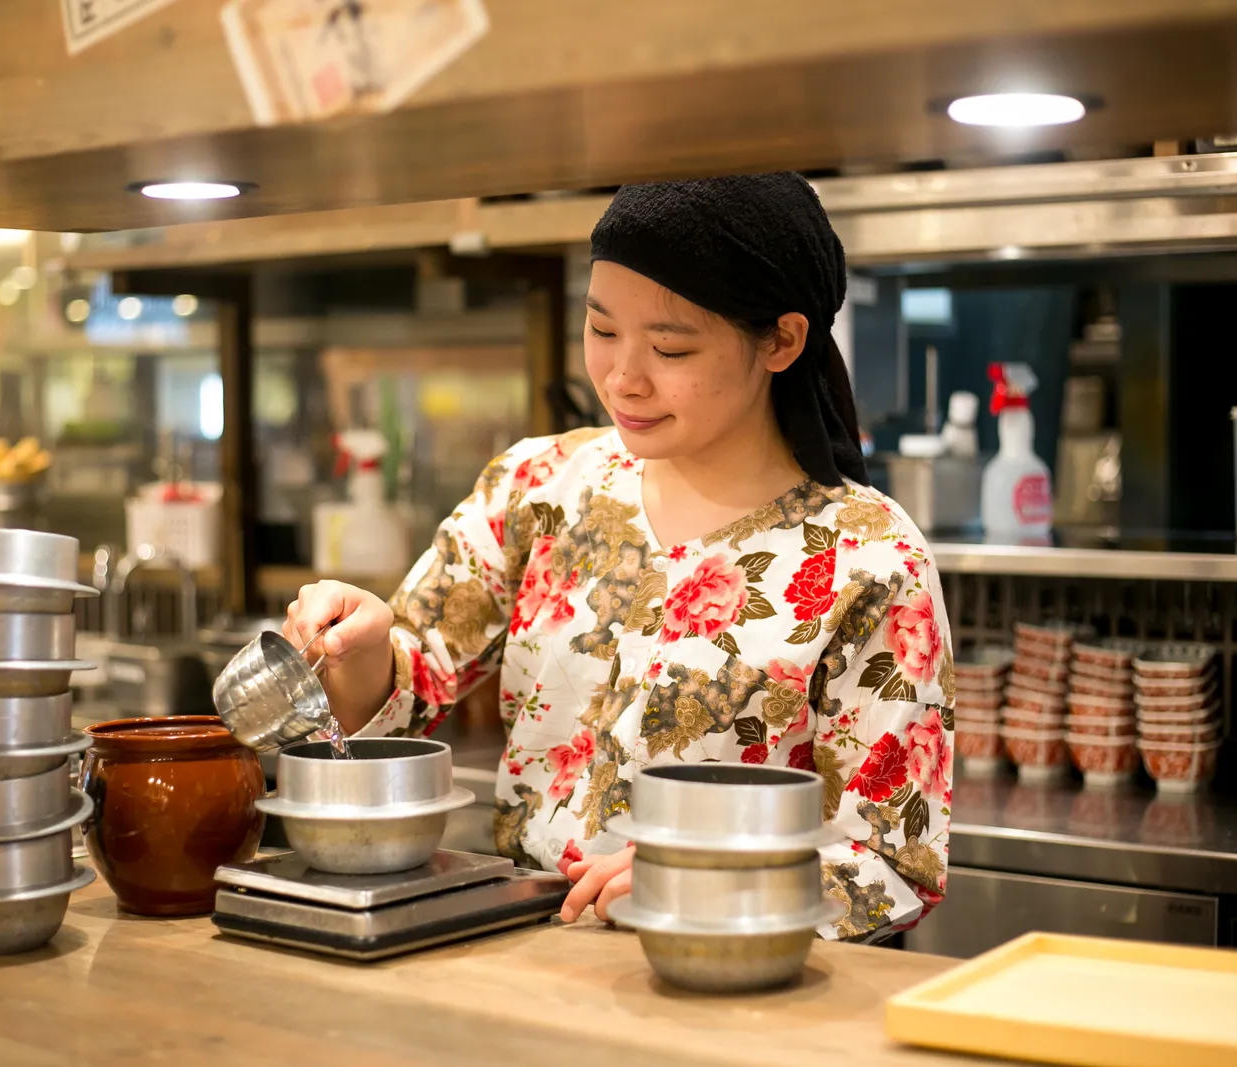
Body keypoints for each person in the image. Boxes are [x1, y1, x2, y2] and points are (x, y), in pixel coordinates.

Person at [283, 172, 956, 943]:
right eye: (602, 330)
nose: (622, 377)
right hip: (523, 963)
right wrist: (362, 647)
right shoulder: (541, 486)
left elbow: (895, 863)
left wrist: (721, 882)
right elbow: (410, 684)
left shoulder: (869, 559)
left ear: (782, 340)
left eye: (670, 345)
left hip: (731, 990)